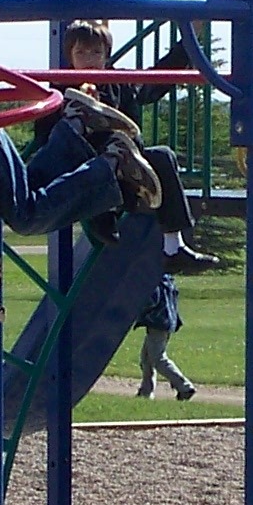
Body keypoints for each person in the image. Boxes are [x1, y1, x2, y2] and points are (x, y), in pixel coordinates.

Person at [58, 20, 199, 400]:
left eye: (97, 53)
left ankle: (174, 244)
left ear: (107, 56)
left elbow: (156, 81)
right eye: (82, 53)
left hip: (129, 168)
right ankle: (102, 222)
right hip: (89, 168)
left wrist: (188, 44)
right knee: (98, 168)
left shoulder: (119, 82)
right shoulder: (59, 87)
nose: (90, 60)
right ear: (69, 56)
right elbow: (46, 136)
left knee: (163, 157)